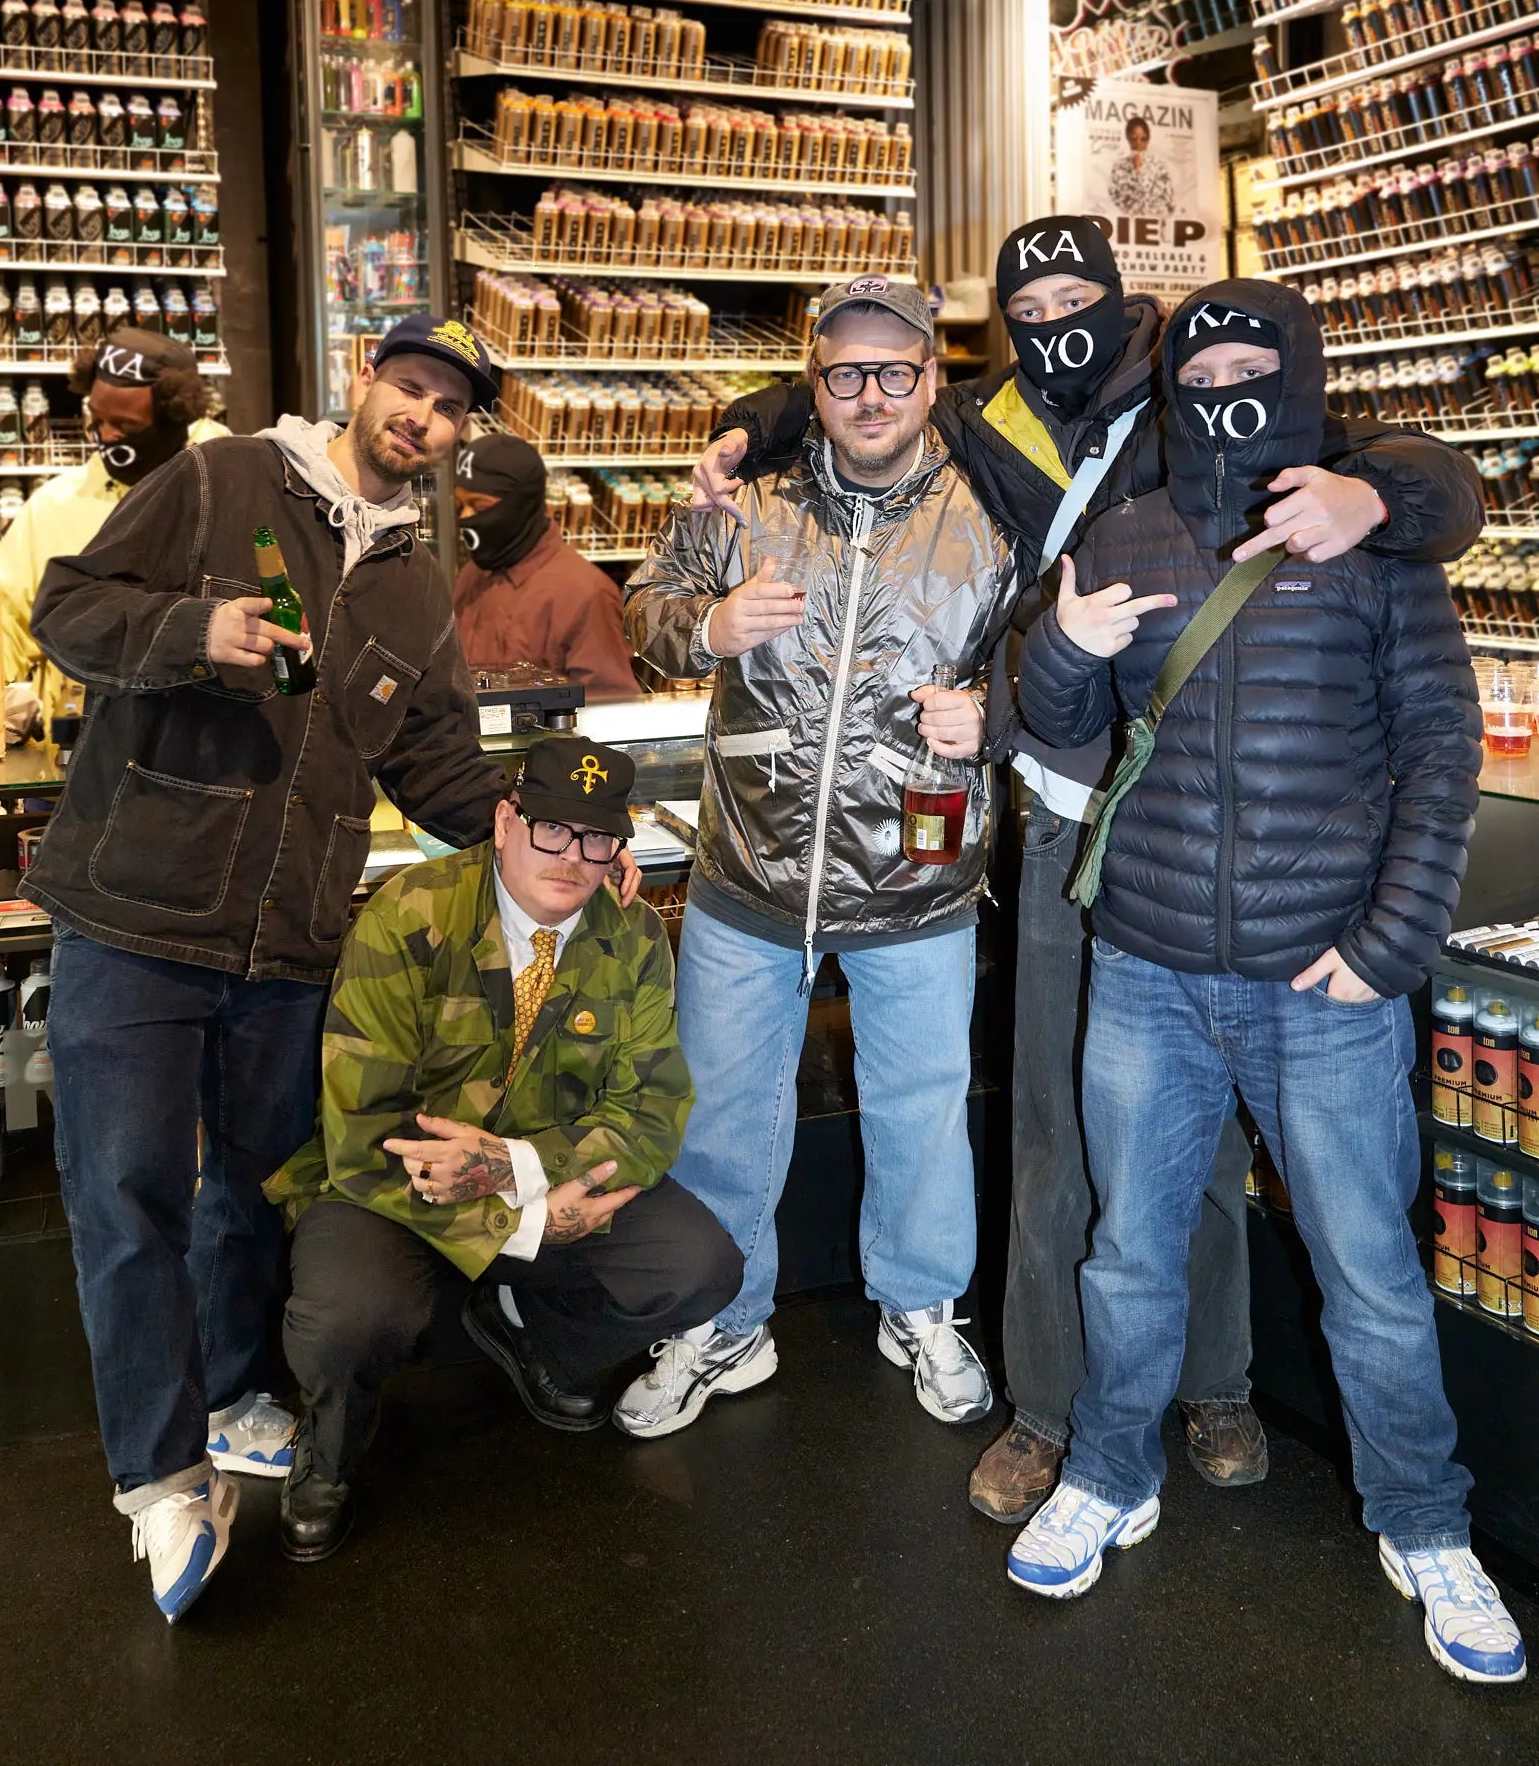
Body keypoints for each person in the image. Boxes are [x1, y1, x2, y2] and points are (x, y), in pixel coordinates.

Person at [687, 215, 1483, 1524]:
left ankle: (1214, 1382)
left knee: (1207, 1143)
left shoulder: (1197, 387)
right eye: (1029, 304)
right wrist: (745, 421)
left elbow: (1433, 478)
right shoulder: (984, 419)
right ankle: (1051, 1408)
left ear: (1123, 303)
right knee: (1061, 1125)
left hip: (1220, 817)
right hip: (1070, 811)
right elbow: (859, 398)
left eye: (1077, 296)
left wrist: (1381, 494)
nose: (1055, 321)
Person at [24, 314, 640, 1625]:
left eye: (450, 407)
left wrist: (556, 836)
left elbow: (435, 763)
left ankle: (234, 1391)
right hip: (134, 914)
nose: (424, 417)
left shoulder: (417, 581)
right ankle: (159, 1475)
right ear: (364, 378)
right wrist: (193, 628)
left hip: (291, 940)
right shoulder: (223, 478)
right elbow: (67, 608)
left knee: (255, 1192)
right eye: (409, 387)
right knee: (126, 1195)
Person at [1004, 279, 1526, 1688]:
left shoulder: (1366, 533)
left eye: (1252, 363)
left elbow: (1442, 751)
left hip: (1324, 982)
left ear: (1296, 372)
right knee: (1127, 1253)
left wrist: (1393, 942)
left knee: (1370, 1273)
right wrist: (1061, 651)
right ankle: (1109, 1472)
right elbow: (1059, 722)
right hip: (1147, 967)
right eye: (1202, 367)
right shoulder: (1125, 532)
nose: (1225, 386)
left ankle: (1425, 1523)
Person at [617, 277, 1016, 1436]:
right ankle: (719, 1318)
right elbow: (646, 607)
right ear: (814, 382)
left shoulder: (993, 509)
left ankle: (921, 1302)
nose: (870, 394)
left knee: (921, 1109)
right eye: (846, 372)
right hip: (750, 870)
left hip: (917, 876)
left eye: (895, 370)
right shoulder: (745, 497)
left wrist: (994, 710)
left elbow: (1056, 651)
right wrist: (709, 625)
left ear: (931, 379)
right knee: (721, 1112)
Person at [267, 735, 740, 1561]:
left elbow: (652, 1112)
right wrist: (521, 1227)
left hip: (540, 1175)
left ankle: (533, 1333)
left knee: (699, 1265)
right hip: (391, 1185)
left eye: (598, 839)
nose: (574, 859)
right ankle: (329, 1452)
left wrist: (518, 1171)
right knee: (350, 1314)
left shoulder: (629, 935)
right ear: (504, 821)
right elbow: (363, 1129)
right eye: (552, 829)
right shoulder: (410, 913)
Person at [0, 330, 230, 730]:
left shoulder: (228, 491)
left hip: (205, 742)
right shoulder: (54, 507)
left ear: (175, 419)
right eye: (98, 420)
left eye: (125, 425)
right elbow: (0, 618)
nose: (107, 436)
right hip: (77, 749)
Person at [451, 430, 642, 700]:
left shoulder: (585, 595)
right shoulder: (473, 573)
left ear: (521, 505)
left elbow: (608, 706)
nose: (466, 518)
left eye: (480, 507)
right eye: (460, 506)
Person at [1106, 115, 1174, 218]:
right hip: (1128, 221)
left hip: (1155, 220)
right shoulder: (1119, 167)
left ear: (1148, 140)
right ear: (1128, 139)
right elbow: (1115, 198)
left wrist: (1139, 170)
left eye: (1143, 139)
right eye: (1134, 138)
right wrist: (1136, 170)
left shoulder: (1160, 167)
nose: (1138, 143)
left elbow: (1169, 201)